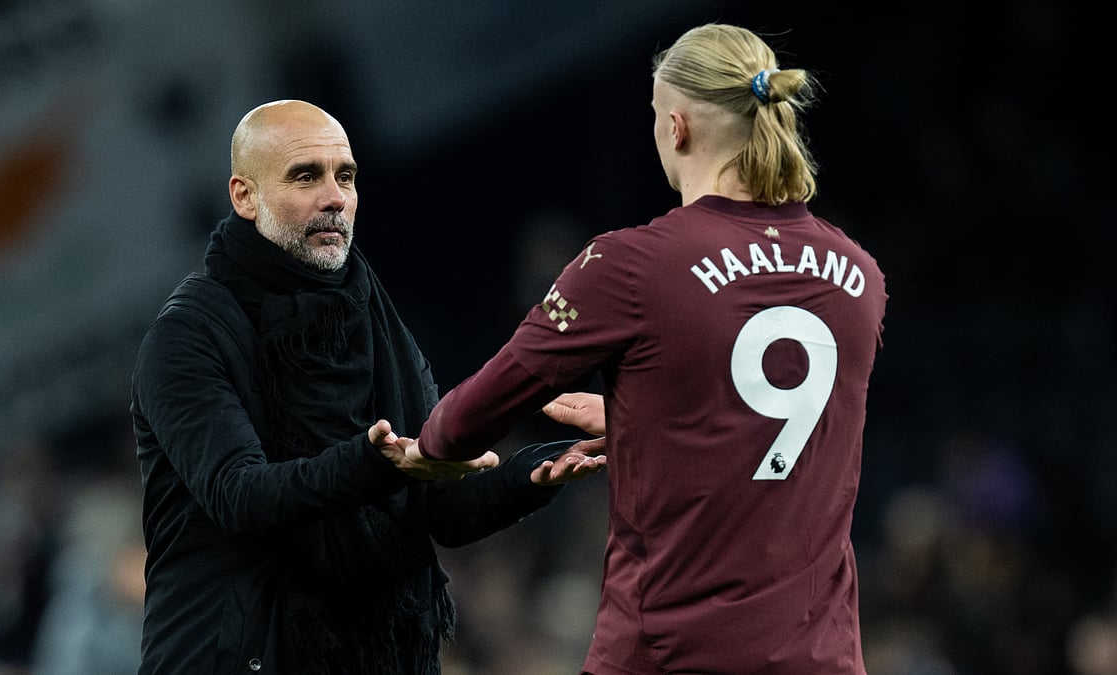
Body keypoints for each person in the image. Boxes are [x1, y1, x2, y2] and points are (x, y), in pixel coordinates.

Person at [406, 23, 887, 674]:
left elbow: (465, 422)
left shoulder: (629, 265)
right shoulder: (858, 273)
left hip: (668, 655)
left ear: (677, 127)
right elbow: (784, 429)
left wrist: (420, 446)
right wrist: (646, 423)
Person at [129, 99, 605, 675]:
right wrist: (374, 464)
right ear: (244, 196)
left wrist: (535, 471)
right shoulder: (188, 335)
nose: (334, 197)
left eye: (345, 176)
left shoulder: (373, 318)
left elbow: (442, 507)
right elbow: (241, 496)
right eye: (306, 176)